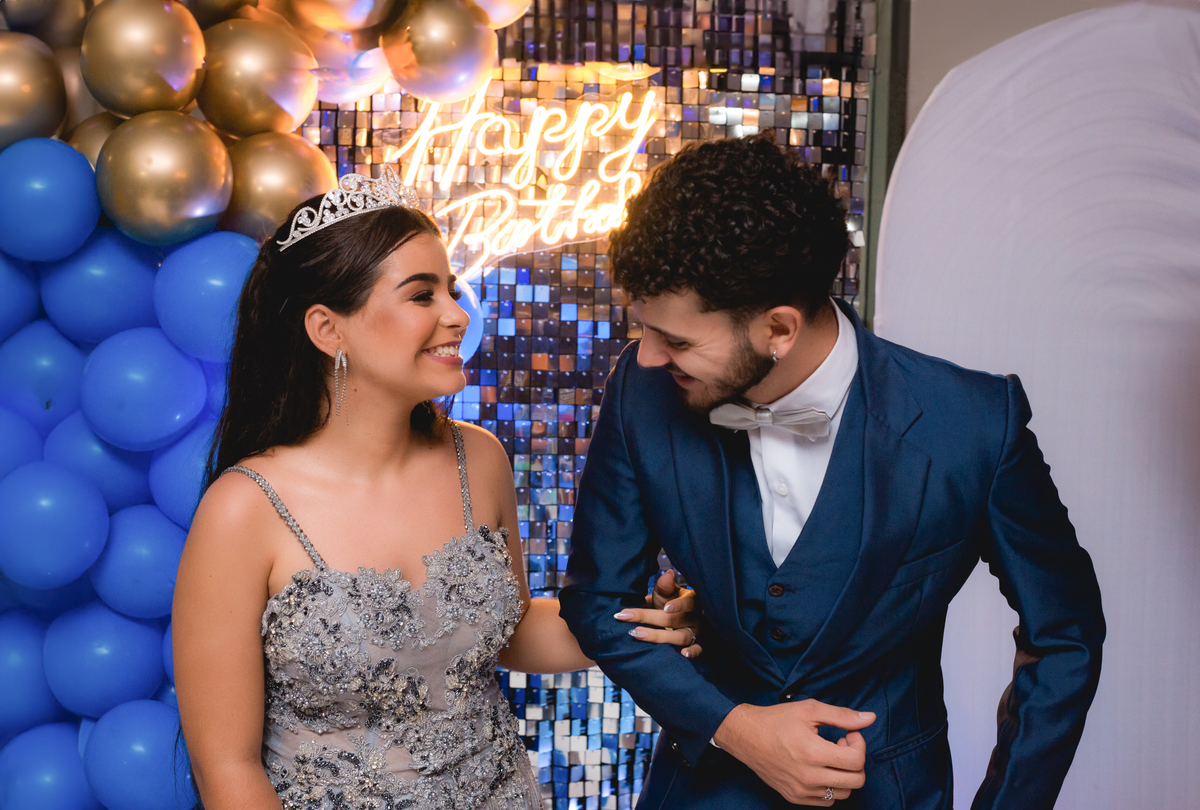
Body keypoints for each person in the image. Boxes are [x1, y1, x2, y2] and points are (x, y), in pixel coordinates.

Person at [558, 132, 1106, 809]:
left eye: (675, 339)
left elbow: (1066, 636)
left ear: (778, 330)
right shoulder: (640, 391)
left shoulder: (974, 425)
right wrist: (735, 728)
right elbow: (596, 600)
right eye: (643, 327)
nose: (646, 356)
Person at [171, 167, 701, 809]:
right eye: (423, 295)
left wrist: (635, 622)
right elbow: (226, 770)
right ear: (328, 330)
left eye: (450, 289)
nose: (457, 314)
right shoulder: (243, 508)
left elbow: (506, 632)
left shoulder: (478, 458)